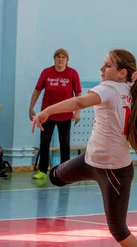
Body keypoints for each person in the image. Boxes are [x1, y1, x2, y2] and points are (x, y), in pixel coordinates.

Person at [32, 49, 137, 247]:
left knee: (118, 229)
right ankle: (58, 173)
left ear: (121, 72)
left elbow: (80, 102)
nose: (102, 68)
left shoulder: (110, 88)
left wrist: (47, 110)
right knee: (55, 177)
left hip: (114, 172)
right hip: (90, 161)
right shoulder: (131, 88)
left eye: (107, 65)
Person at [29, 48, 82, 180]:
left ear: (67, 60)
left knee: (65, 143)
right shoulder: (47, 72)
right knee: (44, 141)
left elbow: (78, 94)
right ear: (54, 59)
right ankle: (42, 170)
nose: (60, 59)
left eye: (63, 57)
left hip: (65, 115)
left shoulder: (72, 73)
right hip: (47, 115)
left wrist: (77, 112)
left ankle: (66, 170)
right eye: (58, 57)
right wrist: (31, 108)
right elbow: (37, 91)